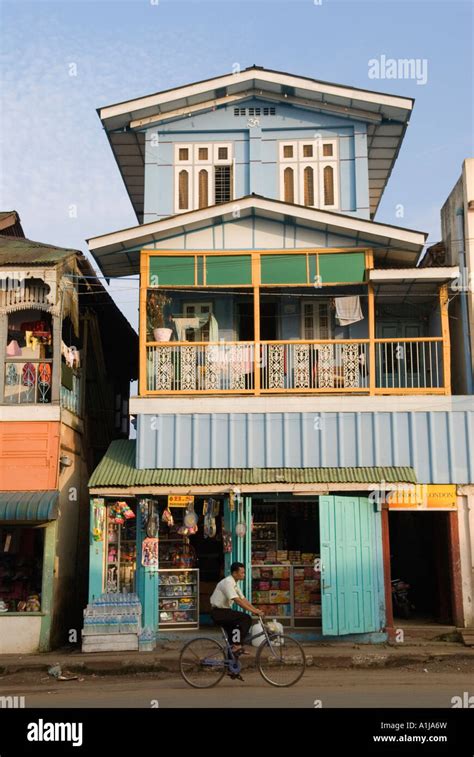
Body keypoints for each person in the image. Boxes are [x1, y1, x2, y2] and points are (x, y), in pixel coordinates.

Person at [210, 562, 264, 654]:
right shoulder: (228, 582)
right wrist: (252, 611)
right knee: (245, 618)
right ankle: (238, 645)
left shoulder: (235, 583)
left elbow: (243, 599)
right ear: (235, 573)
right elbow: (237, 600)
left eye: (244, 572)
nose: (244, 574)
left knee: (233, 636)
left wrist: (255, 610)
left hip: (225, 611)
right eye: (242, 572)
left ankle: (232, 660)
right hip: (219, 612)